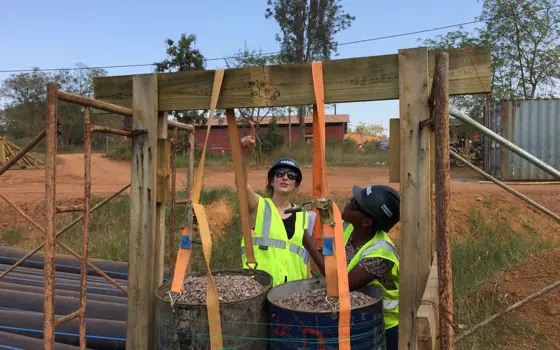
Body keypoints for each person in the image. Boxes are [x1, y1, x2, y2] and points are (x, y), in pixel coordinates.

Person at [302, 184, 400, 350]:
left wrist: (311, 248)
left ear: (366, 221)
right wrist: (325, 237)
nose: (348, 203)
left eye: (355, 204)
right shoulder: (349, 230)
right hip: (356, 319)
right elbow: (330, 254)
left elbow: (341, 285)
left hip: (383, 326)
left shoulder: (381, 254)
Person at [239, 135, 316, 287]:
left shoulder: (304, 216)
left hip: (294, 293)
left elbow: (305, 259)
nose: (285, 178)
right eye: (279, 174)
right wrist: (245, 155)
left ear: (296, 184)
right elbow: (241, 184)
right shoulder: (258, 206)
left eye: (291, 176)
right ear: (271, 181)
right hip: (260, 289)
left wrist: (308, 287)